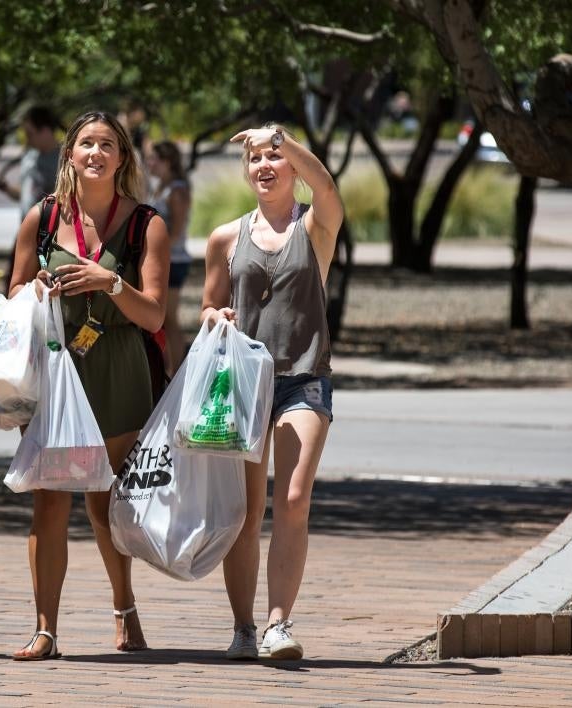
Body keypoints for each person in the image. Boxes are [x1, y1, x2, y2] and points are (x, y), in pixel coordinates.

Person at [7, 111, 170, 660]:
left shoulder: (147, 224)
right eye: (85, 144)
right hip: (56, 374)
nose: (95, 153)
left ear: (122, 157)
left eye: (106, 145)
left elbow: (152, 315)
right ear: (70, 156)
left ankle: (124, 607)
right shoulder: (44, 217)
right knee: (49, 506)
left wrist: (111, 281)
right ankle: (45, 629)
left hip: (119, 373)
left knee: (106, 505)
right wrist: (35, 290)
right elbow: (13, 296)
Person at [199, 123, 343, 661]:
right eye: (256, 158)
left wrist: (282, 137)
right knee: (246, 509)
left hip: (304, 379)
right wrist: (218, 316)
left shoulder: (316, 225)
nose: (264, 165)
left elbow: (327, 188)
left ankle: (278, 625)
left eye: (275, 157)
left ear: (293, 168)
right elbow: (207, 306)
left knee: (294, 499)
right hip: (243, 385)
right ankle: (242, 627)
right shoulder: (225, 237)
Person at [146, 141, 192, 374]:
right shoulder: (159, 187)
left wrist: (154, 250)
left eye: (154, 158)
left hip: (175, 261)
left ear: (167, 162)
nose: (149, 163)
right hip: (164, 260)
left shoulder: (177, 190)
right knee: (161, 319)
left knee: (170, 319)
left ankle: (178, 373)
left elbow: (176, 232)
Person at [0, 105, 61, 219]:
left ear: (45, 130)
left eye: (30, 134)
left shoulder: (64, 160)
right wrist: (6, 188)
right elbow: (25, 194)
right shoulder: (29, 156)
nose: (27, 139)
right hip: (26, 230)